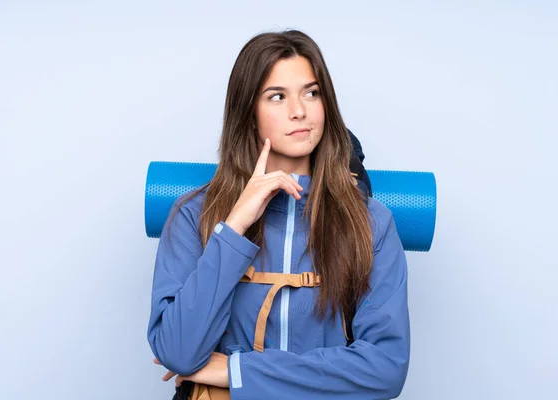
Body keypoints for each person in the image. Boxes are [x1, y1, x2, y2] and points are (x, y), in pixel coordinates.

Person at [147, 29, 410, 399]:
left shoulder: (371, 223)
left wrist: (236, 370)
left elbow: (385, 370)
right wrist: (235, 226)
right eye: (277, 96)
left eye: (311, 93)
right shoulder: (194, 215)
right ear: (248, 113)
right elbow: (176, 351)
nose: (299, 110)